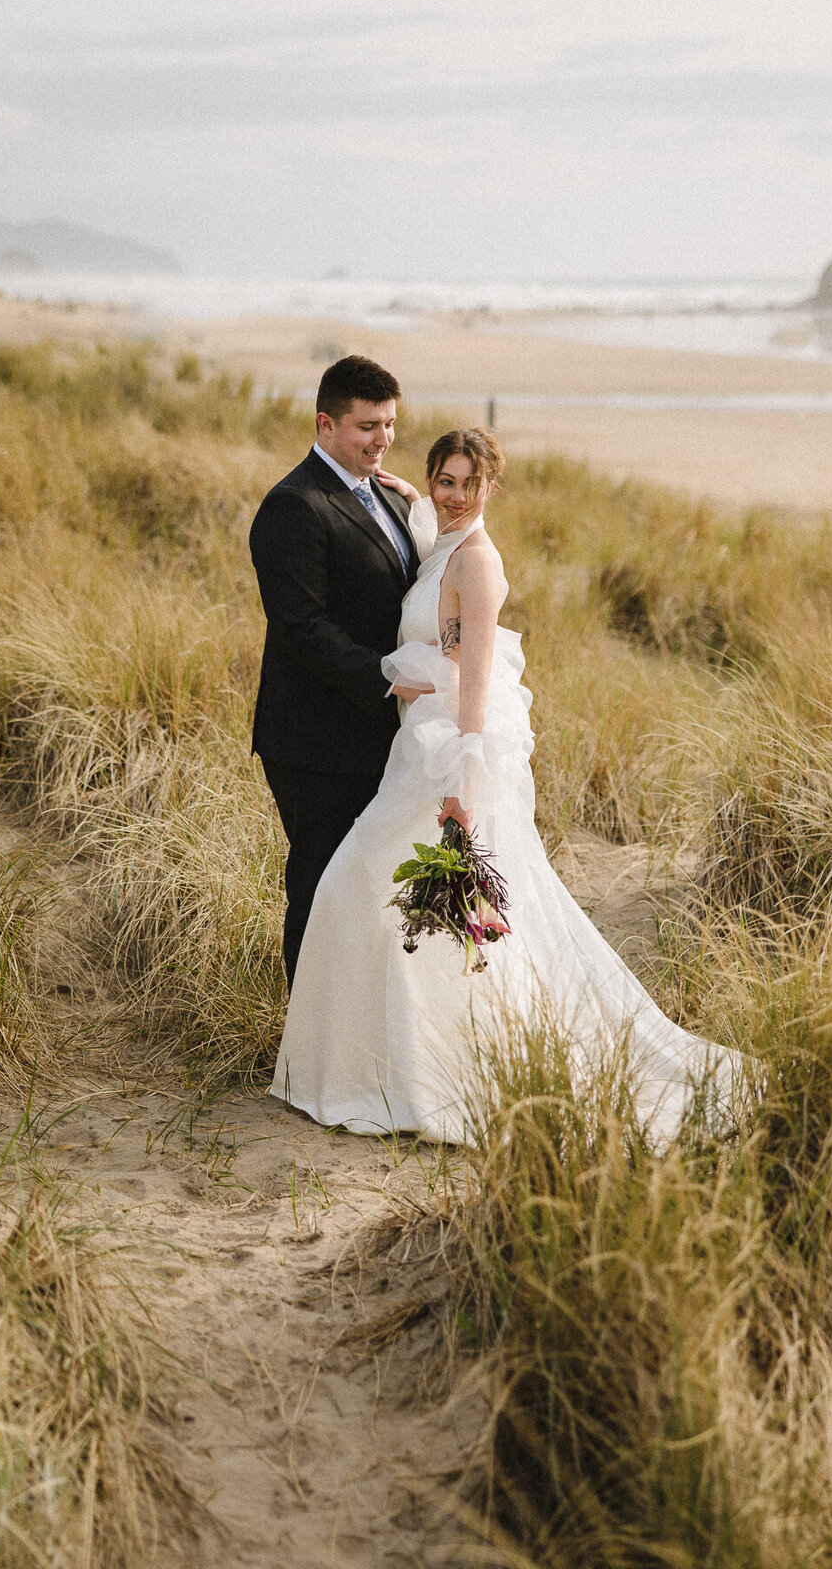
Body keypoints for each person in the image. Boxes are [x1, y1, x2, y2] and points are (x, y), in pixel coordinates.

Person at [270, 428, 744, 1144]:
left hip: (444, 762)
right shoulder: (443, 541)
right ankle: (393, 1067)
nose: (452, 494)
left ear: (493, 486)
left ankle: (441, 1072)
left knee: (382, 899)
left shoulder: (480, 564)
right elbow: (433, 551)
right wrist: (408, 498)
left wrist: (462, 783)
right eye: (442, 479)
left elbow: (477, 682)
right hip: (413, 751)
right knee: (391, 910)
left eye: (467, 482)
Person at [249, 356, 417, 989]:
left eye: (391, 424)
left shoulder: (384, 495)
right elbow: (300, 628)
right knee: (321, 885)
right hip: (314, 740)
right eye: (368, 426)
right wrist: (387, 678)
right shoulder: (293, 506)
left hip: (373, 733)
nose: (383, 439)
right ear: (326, 423)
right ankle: (305, 1047)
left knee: (367, 889)